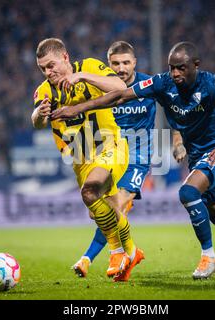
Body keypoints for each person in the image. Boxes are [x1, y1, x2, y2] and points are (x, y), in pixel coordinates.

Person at [52, 41, 215, 281]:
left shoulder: (213, 85)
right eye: (172, 67)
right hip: (196, 156)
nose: (175, 73)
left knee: (188, 193)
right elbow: (120, 96)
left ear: (196, 65)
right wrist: (77, 109)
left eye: (181, 68)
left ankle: (208, 257)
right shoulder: (162, 83)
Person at [31, 38, 142, 280]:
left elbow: (118, 86)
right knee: (107, 211)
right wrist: (40, 114)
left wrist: (81, 77)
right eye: (43, 69)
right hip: (81, 159)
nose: (48, 72)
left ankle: (116, 252)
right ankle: (132, 251)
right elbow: (37, 121)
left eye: (51, 65)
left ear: (65, 57)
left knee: (90, 191)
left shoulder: (90, 67)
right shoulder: (46, 91)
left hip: (110, 145)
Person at [72, 41, 159, 281]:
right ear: (108, 64)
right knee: (98, 212)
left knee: (118, 205)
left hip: (137, 159)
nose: (121, 68)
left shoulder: (148, 84)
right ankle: (131, 256)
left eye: (126, 62)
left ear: (135, 63)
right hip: (109, 156)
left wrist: (177, 137)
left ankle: (94, 257)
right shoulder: (102, 87)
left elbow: (174, 105)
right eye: (115, 63)